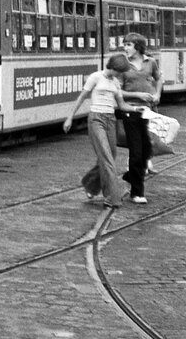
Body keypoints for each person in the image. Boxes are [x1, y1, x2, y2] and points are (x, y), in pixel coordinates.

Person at [63, 53, 140, 209]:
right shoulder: (95, 77)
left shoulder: (116, 83)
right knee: (107, 158)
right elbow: (82, 97)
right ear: (113, 67)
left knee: (110, 156)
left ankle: (90, 184)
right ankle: (112, 197)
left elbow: (121, 105)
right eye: (119, 71)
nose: (120, 75)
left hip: (110, 120)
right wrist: (70, 117)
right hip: (96, 119)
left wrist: (137, 108)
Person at [118, 33, 162, 204]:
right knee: (136, 152)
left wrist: (157, 93)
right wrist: (138, 94)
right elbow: (118, 91)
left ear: (138, 46)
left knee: (146, 151)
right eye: (125, 44)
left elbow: (158, 79)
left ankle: (131, 176)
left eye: (128, 44)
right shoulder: (123, 65)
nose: (125, 48)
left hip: (148, 111)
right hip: (130, 111)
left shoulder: (150, 62)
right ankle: (137, 192)